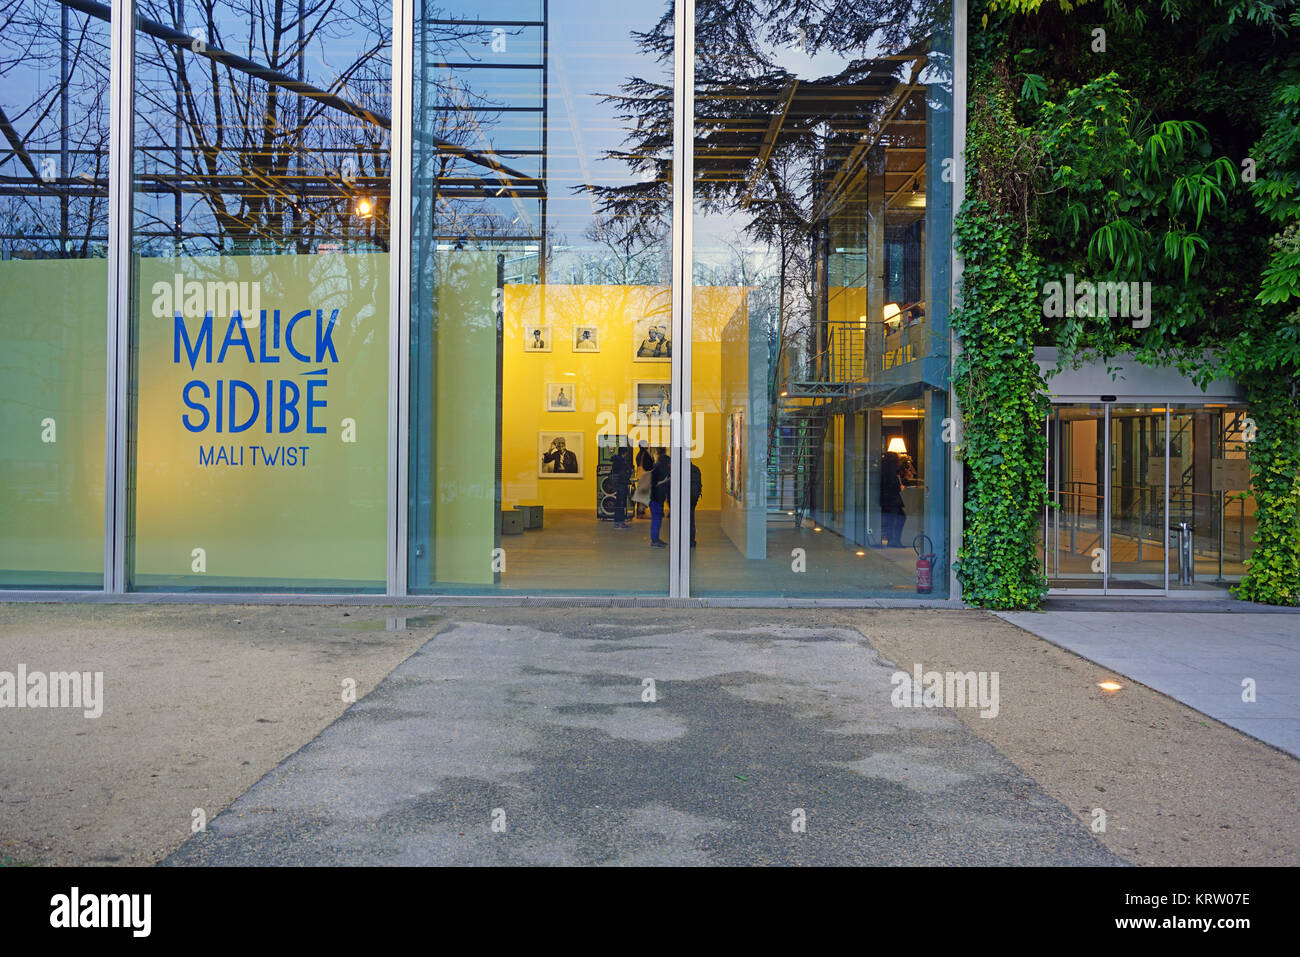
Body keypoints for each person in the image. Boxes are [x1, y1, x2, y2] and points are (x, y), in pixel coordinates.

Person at [880, 450, 906, 547]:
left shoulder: (884, 470)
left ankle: (892, 540)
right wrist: (900, 487)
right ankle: (894, 540)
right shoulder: (892, 472)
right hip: (893, 500)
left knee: (890, 519)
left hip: (887, 499)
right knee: (899, 518)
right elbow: (893, 486)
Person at [649, 447, 671, 547]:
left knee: (656, 519)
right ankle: (655, 540)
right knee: (657, 519)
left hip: (654, 497)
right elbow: (656, 483)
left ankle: (655, 539)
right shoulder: (662, 469)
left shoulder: (656, 466)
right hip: (657, 497)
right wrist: (665, 481)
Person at [610, 445, 632, 528]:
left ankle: (618, 521)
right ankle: (620, 522)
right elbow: (623, 472)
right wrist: (628, 472)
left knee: (619, 503)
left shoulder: (616, 460)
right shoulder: (621, 461)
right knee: (621, 503)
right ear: (624, 452)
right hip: (622, 483)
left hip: (619, 484)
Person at [633, 440, 654, 518]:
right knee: (644, 493)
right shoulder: (645, 454)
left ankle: (640, 510)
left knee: (641, 492)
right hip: (645, 475)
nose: (648, 444)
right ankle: (641, 511)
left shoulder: (639, 454)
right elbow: (649, 466)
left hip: (640, 475)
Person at [689, 461, 702, 547]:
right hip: (694, 497)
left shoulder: (682, 469)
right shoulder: (696, 469)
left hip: (686, 497)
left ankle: (683, 538)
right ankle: (691, 540)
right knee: (691, 518)